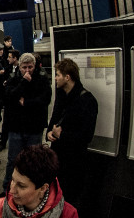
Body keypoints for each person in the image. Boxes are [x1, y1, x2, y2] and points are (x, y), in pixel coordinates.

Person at [46, 58, 98, 207]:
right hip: (57, 157)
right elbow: (54, 119)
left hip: (73, 162)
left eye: (57, 75)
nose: (55, 78)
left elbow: (86, 136)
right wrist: (49, 133)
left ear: (67, 77)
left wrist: (61, 135)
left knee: (69, 199)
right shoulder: (62, 95)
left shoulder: (87, 100)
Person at [0, 53, 52, 196]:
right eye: (24, 67)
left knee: (33, 161)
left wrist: (25, 102)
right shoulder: (14, 78)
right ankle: (7, 189)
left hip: (34, 128)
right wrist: (23, 82)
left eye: (30, 67)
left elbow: (45, 100)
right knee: (13, 160)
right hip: (16, 127)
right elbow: (8, 98)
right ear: (20, 67)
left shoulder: (41, 79)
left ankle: (32, 189)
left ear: (35, 66)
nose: (28, 71)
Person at [0, 145, 78, 218]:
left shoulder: (69, 214)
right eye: (12, 180)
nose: (11, 191)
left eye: (21, 185)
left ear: (43, 188)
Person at [0, 50, 21, 151]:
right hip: (8, 101)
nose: (7, 59)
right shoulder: (8, 69)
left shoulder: (21, 70)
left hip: (17, 102)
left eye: (9, 57)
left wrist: (8, 83)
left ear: (15, 58)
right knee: (5, 123)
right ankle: (3, 143)